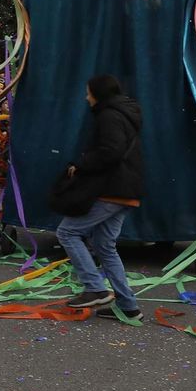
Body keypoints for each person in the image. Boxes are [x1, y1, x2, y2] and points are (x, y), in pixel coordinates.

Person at [57, 75, 144, 317]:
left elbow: (111, 151)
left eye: (89, 93)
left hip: (112, 189)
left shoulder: (109, 116)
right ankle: (128, 306)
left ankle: (94, 288)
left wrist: (82, 165)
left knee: (67, 232)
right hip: (127, 189)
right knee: (104, 245)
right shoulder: (125, 113)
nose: (87, 98)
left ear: (99, 93)